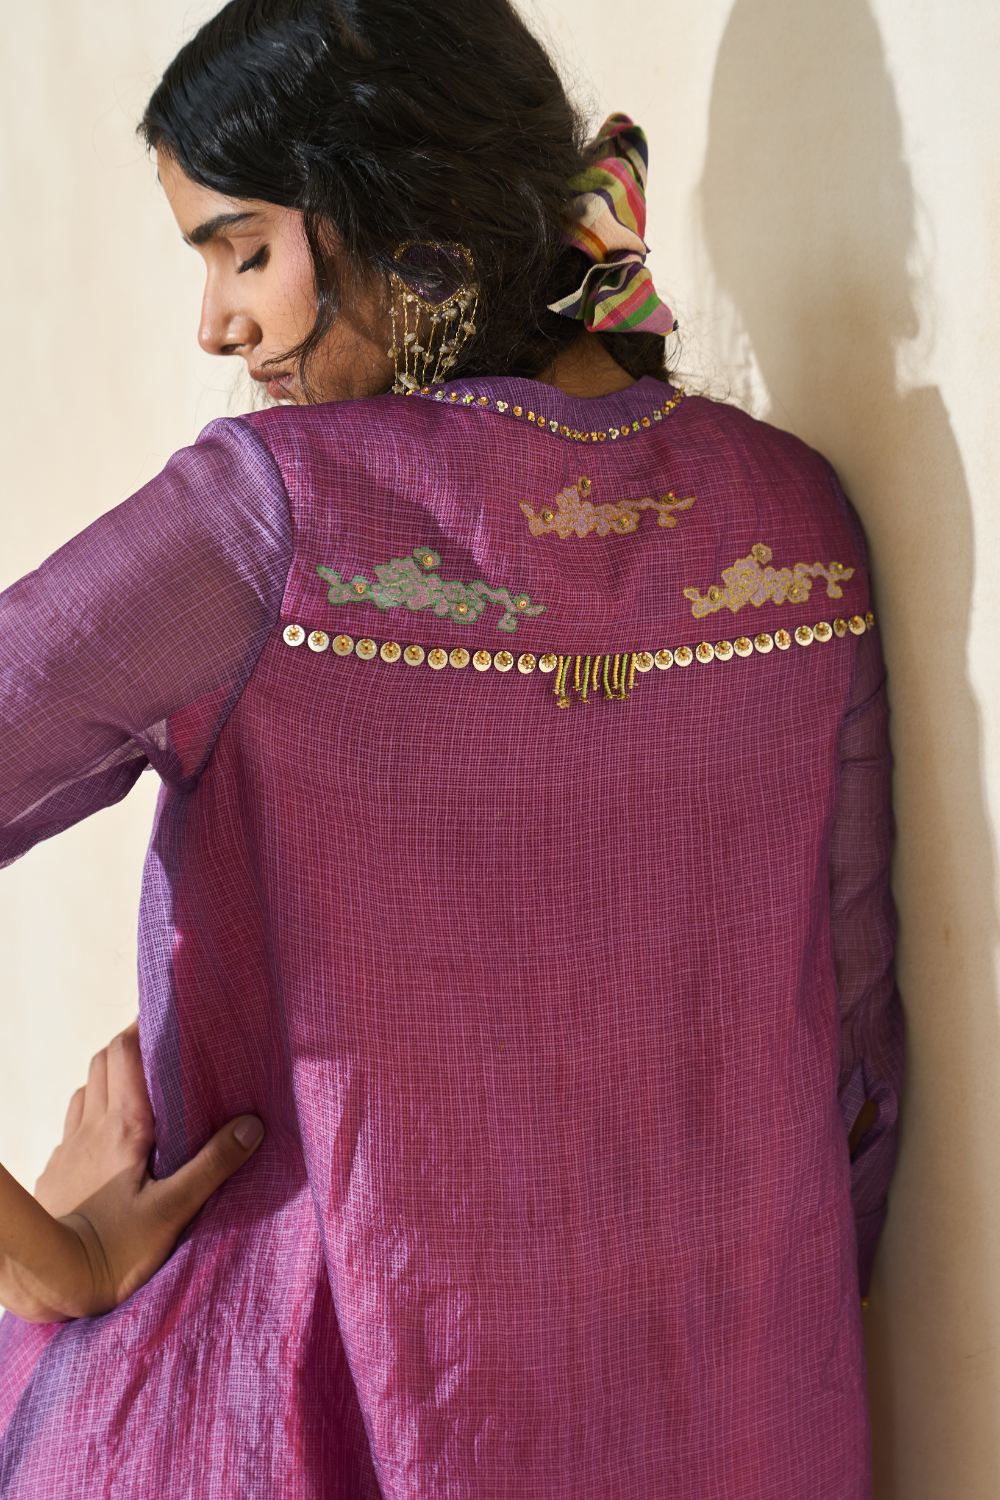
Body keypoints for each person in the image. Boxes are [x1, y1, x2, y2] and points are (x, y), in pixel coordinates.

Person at [0, 0, 903, 1495]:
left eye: (243, 251)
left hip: (326, 1422)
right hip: (744, 1421)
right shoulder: (799, 525)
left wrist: (55, 1263)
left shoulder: (264, 526)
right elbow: (857, 1068)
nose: (216, 324)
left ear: (389, 208)